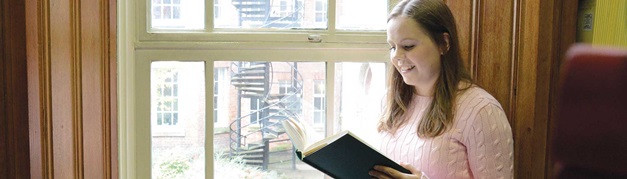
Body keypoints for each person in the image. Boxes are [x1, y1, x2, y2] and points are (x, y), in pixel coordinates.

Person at [368, 0, 514, 178]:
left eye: (408, 46)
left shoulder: (482, 110)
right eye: (392, 47)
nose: (397, 56)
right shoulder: (389, 101)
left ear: (443, 43)